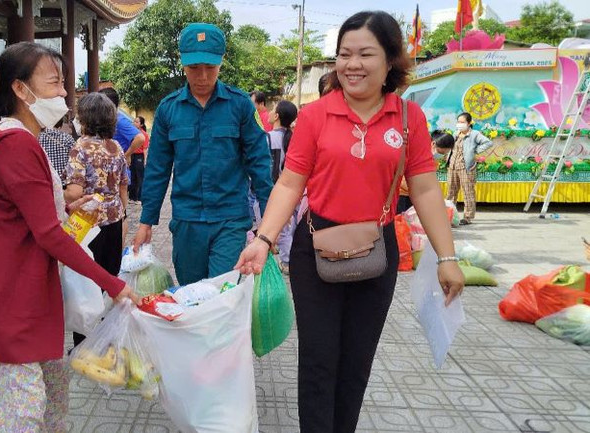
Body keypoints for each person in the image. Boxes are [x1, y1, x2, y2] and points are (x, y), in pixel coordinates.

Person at [235, 11, 465, 433]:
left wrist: (447, 257)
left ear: (390, 61)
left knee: (357, 362)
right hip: (315, 249)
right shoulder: (316, 115)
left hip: (377, 252)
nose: (352, 64)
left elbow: (426, 190)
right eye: (344, 54)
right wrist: (263, 240)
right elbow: (289, 183)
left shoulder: (408, 118)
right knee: (318, 361)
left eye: (365, 54)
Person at [0, 41, 137, 432]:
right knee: (24, 410)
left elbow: (29, 213)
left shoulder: (23, 139)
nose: (64, 93)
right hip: (10, 296)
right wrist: (113, 284)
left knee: (54, 395)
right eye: (54, 83)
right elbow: (48, 235)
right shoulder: (16, 145)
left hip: (31, 289)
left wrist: (68, 210)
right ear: (20, 89)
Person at [133, 23, 273, 286]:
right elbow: (157, 169)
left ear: (221, 62)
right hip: (187, 220)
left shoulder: (240, 105)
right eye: (194, 68)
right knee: (191, 294)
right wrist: (146, 222)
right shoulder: (168, 109)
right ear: (183, 63)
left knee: (222, 292)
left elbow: (260, 163)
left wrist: (269, 223)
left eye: (210, 67)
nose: (203, 76)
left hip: (230, 219)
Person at [64, 92, 129, 347]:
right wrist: (121, 215)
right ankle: (106, 342)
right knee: (107, 282)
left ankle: (85, 347)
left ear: (85, 118)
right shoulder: (116, 148)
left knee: (85, 287)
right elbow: (123, 187)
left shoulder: (80, 148)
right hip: (113, 221)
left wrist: (58, 193)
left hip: (87, 226)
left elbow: (74, 192)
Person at [268, 100, 298, 274]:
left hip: (278, 189)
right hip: (297, 188)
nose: (270, 112)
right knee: (293, 225)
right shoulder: (294, 137)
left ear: (277, 116)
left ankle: (287, 262)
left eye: (273, 109)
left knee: (283, 227)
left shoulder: (269, 138)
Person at [447, 112, 493, 225]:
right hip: (453, 166)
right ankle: (448, 215)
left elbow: (488, 143)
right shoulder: (456, 133)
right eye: (458, 122)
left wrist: (475, 150)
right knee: (451, 192)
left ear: (468, 123)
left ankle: (467, 217)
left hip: (466, 167)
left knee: (468, 192)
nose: (459, 124)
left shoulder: (474, 134)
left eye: (462, 122)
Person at [97, 87, 145, 159]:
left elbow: (140, 138)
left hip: (117, 162)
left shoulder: (119, 120)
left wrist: (126, 156)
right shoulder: (108, 119)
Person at [40, 117, 76, 182]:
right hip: (63, 181)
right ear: (60, 126)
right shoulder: (68, 139)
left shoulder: (38, 138)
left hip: (46, 180)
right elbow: (74, 161)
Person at [129, 115, 149, 202]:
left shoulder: (144, 134)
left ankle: (140, 197)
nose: (134, 123)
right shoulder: (132, 133)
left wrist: (145, 160)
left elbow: (145, 149)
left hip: (139, 156)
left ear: (141, 124)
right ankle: (132, 197)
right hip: (132, 155)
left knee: (139, 177)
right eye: (134, 121)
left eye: (137, 122)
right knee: (132, 176)